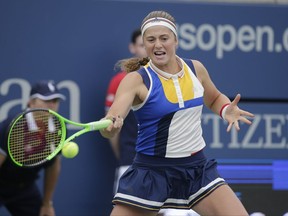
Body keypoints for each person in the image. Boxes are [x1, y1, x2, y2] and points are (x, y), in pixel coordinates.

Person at [100, 10, 254, 216]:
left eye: (164, 38)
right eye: (151, 39)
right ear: (144, 45)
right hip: (150, 174)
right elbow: (114, 117)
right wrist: (111, 126)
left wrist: (226, 109)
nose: (158, 45)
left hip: (196, 170)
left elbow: (215, 98)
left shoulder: (195, 69)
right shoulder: (136, 80)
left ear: (176, 41)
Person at [0, 80, 65, 216]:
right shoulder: (11, 126)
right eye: (46, 100)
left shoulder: (59, 129)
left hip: (24, 187)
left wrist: (47, 203)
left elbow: (53, 166)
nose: (52, 105)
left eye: (55, 100)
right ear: (31, 102)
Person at [105, 28, 147, 195]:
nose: (147, 48)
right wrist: (124, 156)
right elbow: (111, 126)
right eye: (142, 44)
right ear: (132, 47)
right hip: (130, 161)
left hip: (165, 165)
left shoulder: (168, 79)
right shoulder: (119, 82)